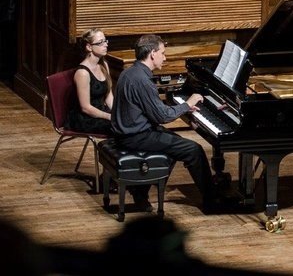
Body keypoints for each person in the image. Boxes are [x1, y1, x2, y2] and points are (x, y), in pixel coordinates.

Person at [111, 34, 215, 212]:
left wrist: (183, 109)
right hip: (135, 136)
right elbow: (162, 117)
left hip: (127, 133)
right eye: (163, 53)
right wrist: (187, 104)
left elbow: (152, 110)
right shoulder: (142, 80)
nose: (165, 58)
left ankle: (140, 192)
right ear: (152, 54)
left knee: (174, 144)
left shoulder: (129, 72)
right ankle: (212, 201)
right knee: (193, 150)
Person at [64, 28, 113, 135]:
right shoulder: (82, 73)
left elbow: (109, 97)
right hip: (85, 119)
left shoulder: (104, 65)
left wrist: (117, 113)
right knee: (122, 128)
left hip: (101, 112)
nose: (105, 45)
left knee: (131, 121)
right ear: (89, 47)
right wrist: (109, 116)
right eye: (100, 42)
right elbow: (85, 107)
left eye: (105, 41)